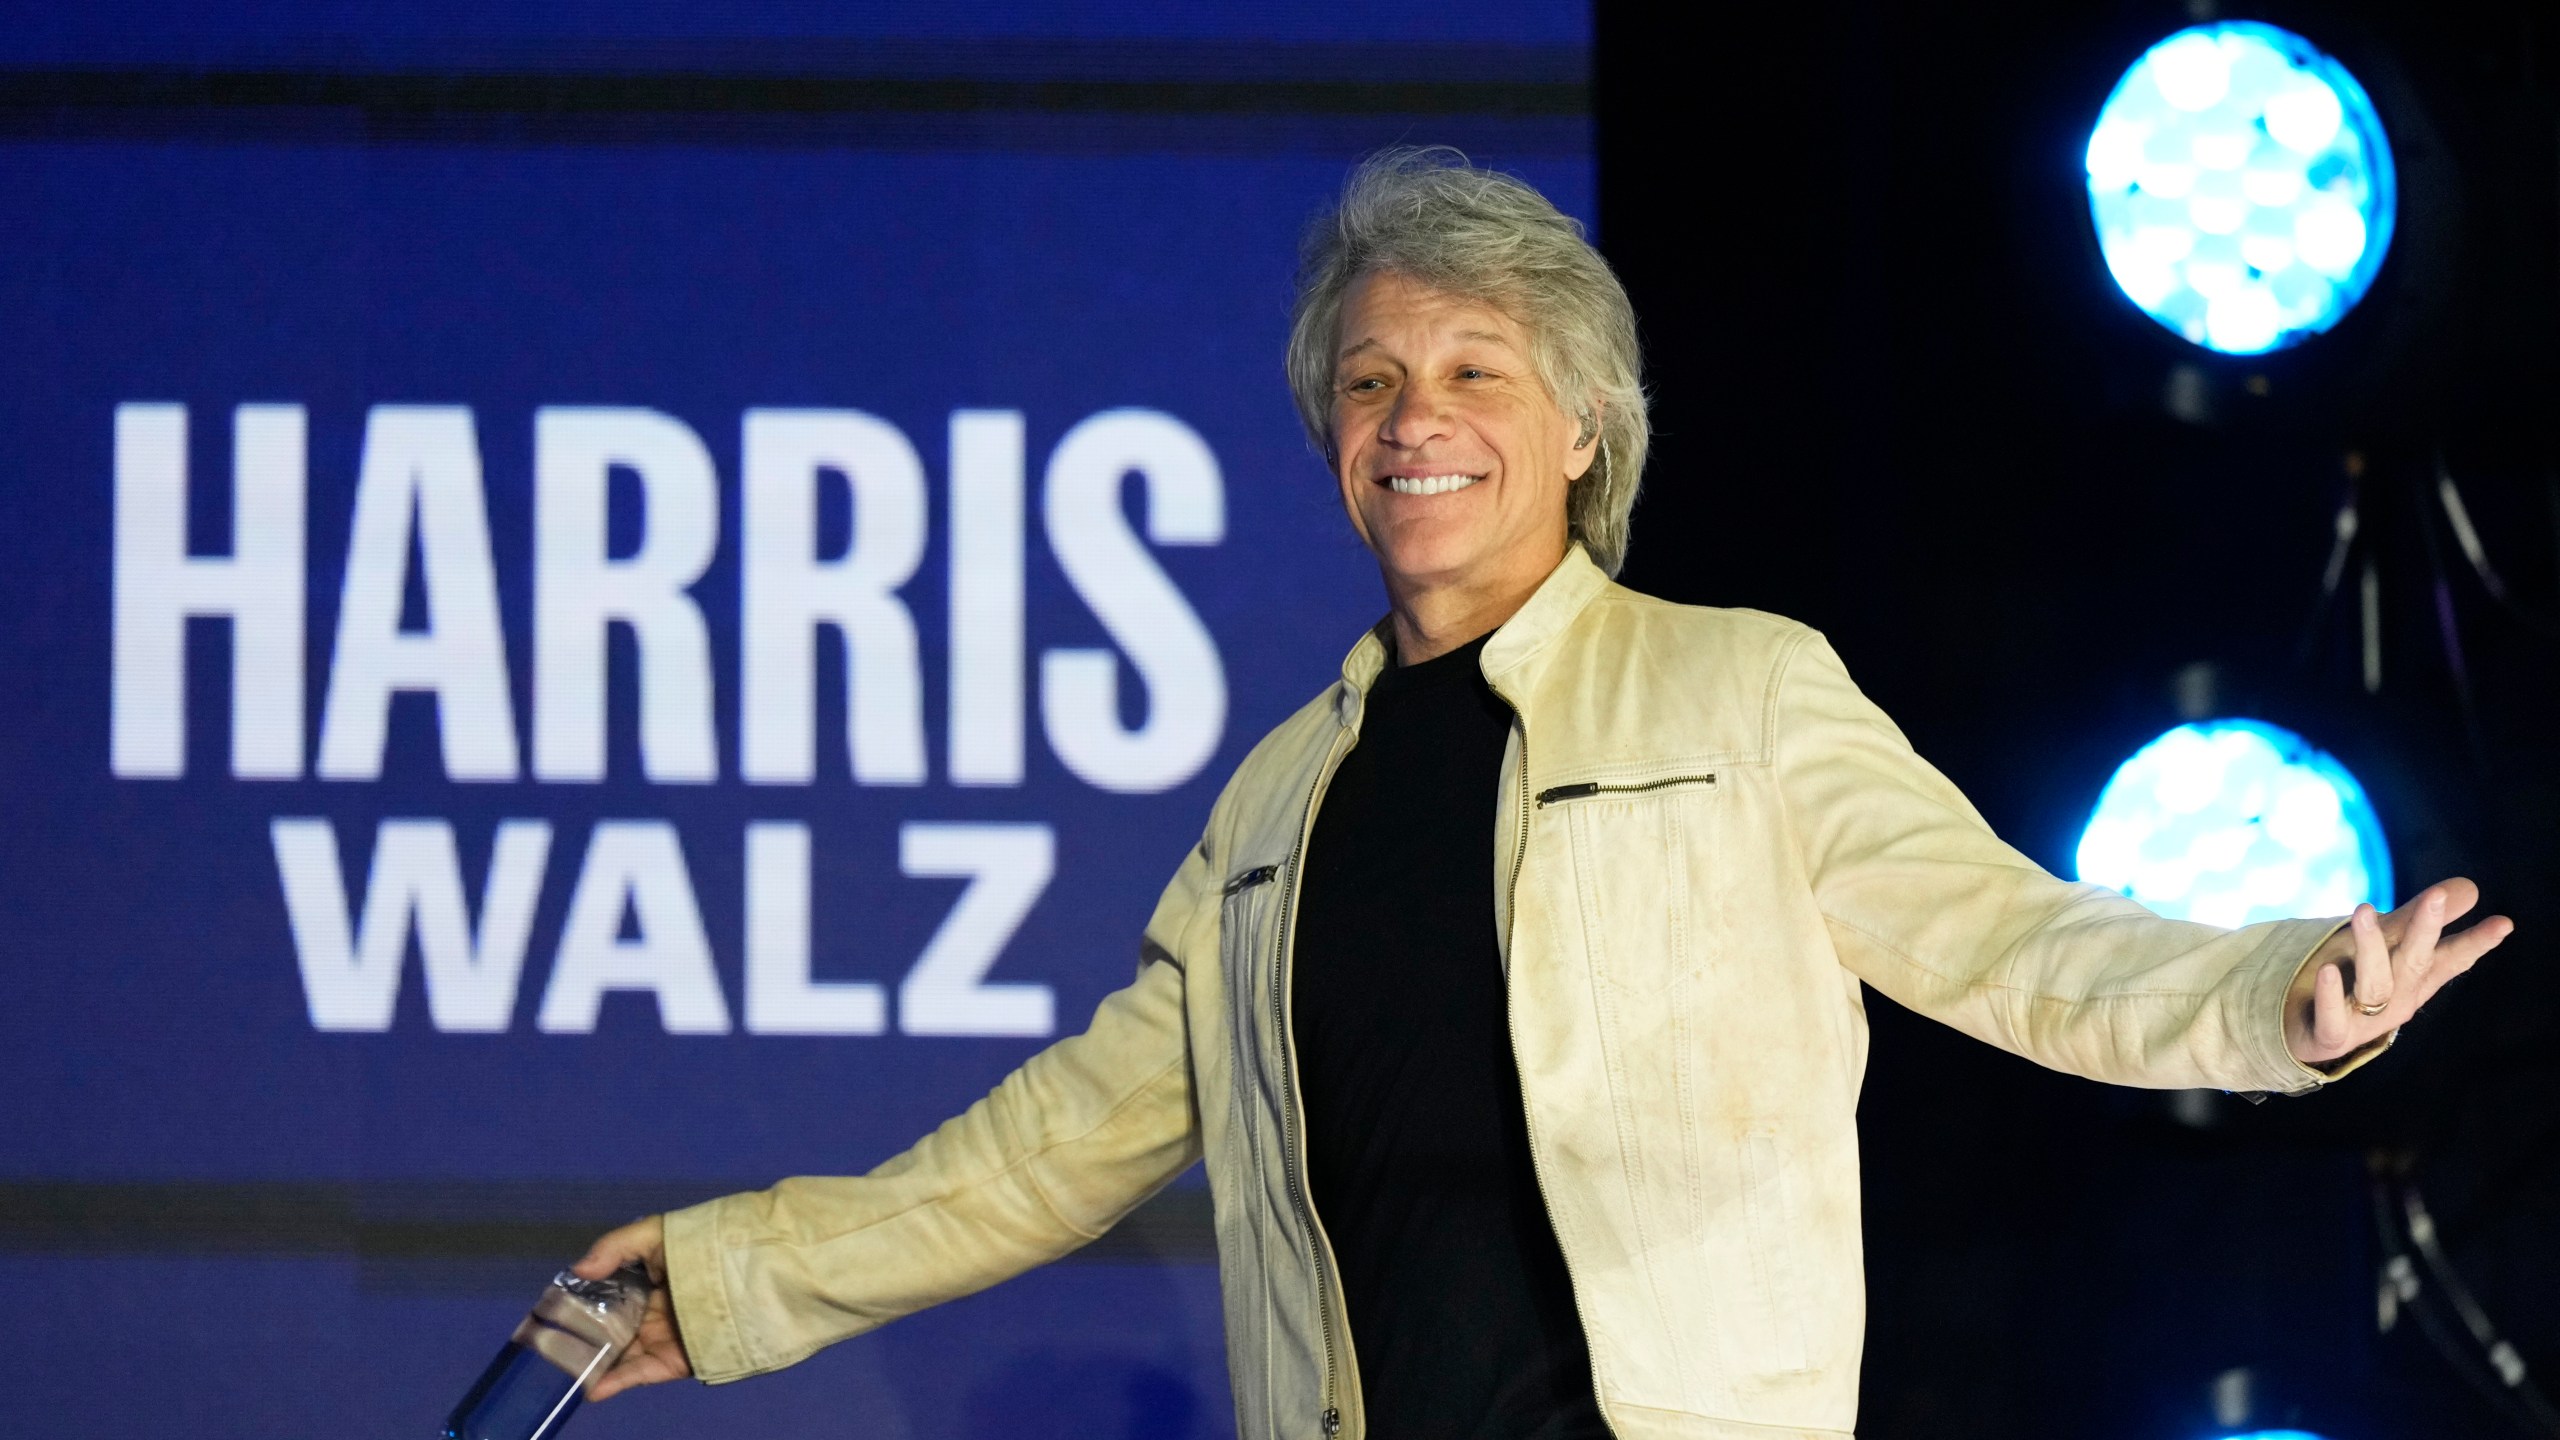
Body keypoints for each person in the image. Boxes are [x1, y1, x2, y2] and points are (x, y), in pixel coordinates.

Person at [573, 148, 2513, 1440]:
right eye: (1367, 382)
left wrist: (2275, 1002)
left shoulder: (1733, 687)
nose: (1411, 419)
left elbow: (2009, 939)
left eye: (1473, 373)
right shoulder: (1272, 806)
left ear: (1581, 430)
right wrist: (736, 1282)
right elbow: (1054, 1145)